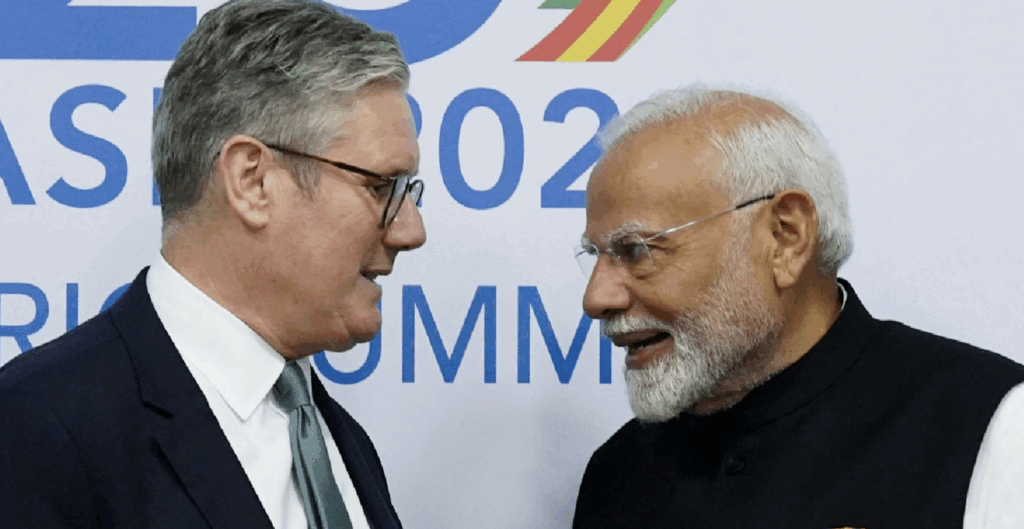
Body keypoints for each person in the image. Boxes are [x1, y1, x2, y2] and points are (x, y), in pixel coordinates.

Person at [0, 1, 425, 527]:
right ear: (252, 181)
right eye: (381, 187)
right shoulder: (36, 432)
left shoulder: (341, 443)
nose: (411, 231)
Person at [571, 86, 1024, 528]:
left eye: (636, 250)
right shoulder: (618, 474)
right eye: (595, 255)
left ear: (786, 237)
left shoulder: (992, 429)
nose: (596, 298)